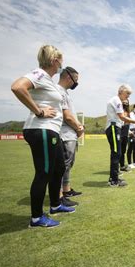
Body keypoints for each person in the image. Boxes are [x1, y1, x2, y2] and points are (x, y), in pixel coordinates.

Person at [11, 44, 75, 228]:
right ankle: (37, 218)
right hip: (42, 130)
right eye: (61, 60)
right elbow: (17, 87)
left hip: (51, 131)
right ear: (55, 61)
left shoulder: (48, 79)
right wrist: (38, 111)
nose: (62, 64)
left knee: (58, 169)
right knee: (44, 173)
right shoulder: (38, 74)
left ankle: (55, 205)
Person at [105, 84, 135, 187]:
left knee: (117, 153)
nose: (128, 96)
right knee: (116, 153)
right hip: (113, 127)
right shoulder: (117, 100)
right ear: (121, 91)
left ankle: (114, 177)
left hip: (116, 127)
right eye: (127, 93)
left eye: (129, 94)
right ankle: (113, 180)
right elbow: (122, 117)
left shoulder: (117, 100)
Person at [58, 67, 84, 207]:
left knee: (68, 165)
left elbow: (71, 115)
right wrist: (79, 128)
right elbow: (67, 117)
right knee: (63, 166)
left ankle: (66, 190)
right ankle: (60, 195)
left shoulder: (65, 93)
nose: (76, 83)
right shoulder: (58, 91)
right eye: (76, 80)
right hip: (65, 135)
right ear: (69, 77)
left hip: (70, 134)